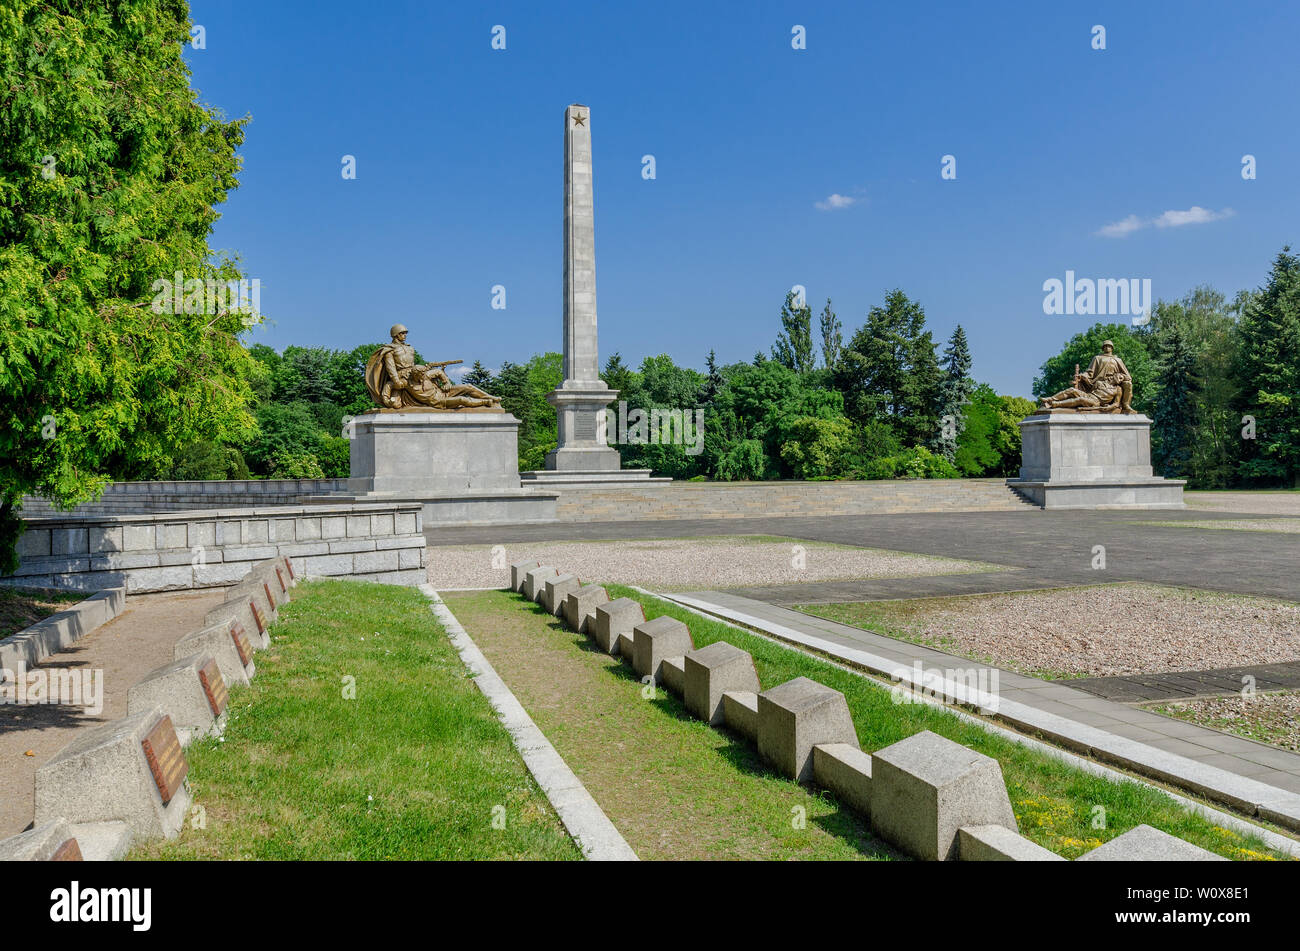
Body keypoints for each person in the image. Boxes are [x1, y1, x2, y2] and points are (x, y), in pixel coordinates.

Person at [367, 324, 501, 409]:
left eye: (406, 333)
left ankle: (491, 398)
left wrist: (446, 381)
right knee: (395, 405)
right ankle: (486, 402)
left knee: (467, 387)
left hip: (416, 373)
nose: (405, 335)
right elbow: (391, 368)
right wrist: (396, 381)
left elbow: (436, 372)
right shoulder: (389, 350)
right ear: (396, 334)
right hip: (404, 377)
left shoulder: (410, 348)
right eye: (402, 333)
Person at [1039, 340, 1134, 412]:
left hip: (1098, 399)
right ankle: (1050, 399)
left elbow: (1127, 376)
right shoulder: (1097, 358)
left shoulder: (1118, 362)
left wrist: (1121, 378)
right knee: (1071, 391)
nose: (1107, 348)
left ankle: (1126, 405)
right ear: (1103, 348)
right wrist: (1082, 375)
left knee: (1128, 383)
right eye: (1105, 346)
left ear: (1112, 348)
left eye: (1109, 346)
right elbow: (1089, 372)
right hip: (1096, 385)